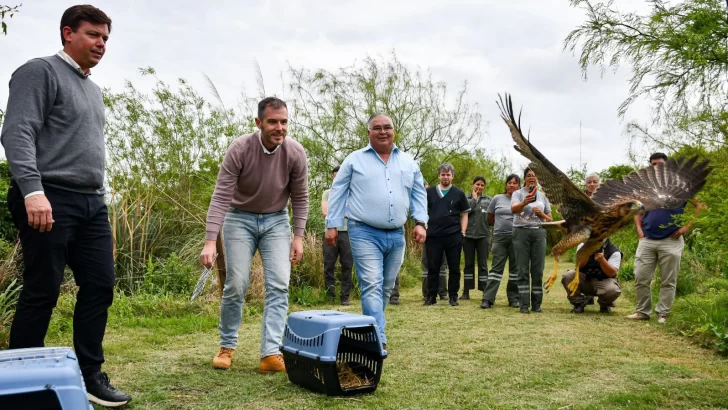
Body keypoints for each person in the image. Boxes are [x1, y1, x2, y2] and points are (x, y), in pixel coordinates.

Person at [0, 5, 131, 407]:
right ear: (67, 33)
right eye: (93, 35)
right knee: (43, 289)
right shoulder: (38, 71)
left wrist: (100, 197)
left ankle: (91, 374)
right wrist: (32, 190)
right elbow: (17, 132)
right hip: (47, 196)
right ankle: (20, 382)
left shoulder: (92, 89)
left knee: (100, 284)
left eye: (106, 38)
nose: (101, 44)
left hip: (91, 203)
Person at [201, 97, 308, 373]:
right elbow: (221, 195)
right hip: (239, 219)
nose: (279, 127)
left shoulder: (295, 152)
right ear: (258, 122)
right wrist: (211, 240)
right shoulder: (240, 148)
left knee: (279, 285)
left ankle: (270, 353)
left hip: (276, 221)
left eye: (284, 121)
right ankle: (226, 346)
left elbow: (300, 196)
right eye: (273, 121)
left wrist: (298, 236)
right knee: (236, 283)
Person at [325, 113, 427, 350]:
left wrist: (420, 221)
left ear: (394, 130)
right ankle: (377, 337)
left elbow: (419, 193)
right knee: (371, 283)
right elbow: (338, 191)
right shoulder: (354, 160)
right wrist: (332, 224)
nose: (383, 132)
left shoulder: (408, 162)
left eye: (387, 127)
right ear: (368, 132)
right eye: (377, 128)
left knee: (386, 286)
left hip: (396, 235)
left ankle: (370, 328)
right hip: (364, 231)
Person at [626, 152, 703, 324]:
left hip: (672, 240)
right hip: (647, 239)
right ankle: (642, 312)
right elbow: (636, 209)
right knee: (640, 276)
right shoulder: (645, 187)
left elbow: (699, 205)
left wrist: (686, 227)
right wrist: (639, 229)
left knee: (668, 279)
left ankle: (663, 313)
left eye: (660, 164)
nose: (657, 167)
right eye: (653, 164)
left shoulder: (681, 185)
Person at [424, 163, 470, 307]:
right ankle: (431, 296)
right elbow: (422, 211)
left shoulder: (459, 193)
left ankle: (453, 296)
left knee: (454, 267)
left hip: (453, 235)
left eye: (448, 174)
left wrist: (463, 231)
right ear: (439, 175)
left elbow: (464, 214)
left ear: (452, 176)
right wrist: (423, 227)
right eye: (443, 174)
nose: (445, 177)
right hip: (433, 236)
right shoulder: (429, 192)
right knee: (433, 267)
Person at [511, 167, 553, 314]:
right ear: (524, 178)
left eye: (534, 176)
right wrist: (524, 203)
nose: (531, 178)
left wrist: (541, 213)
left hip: (538, 233)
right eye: (529, 175)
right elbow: (513, 209)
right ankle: (523, 304)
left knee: (537, 270)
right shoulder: (517, 193)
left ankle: (536, 304)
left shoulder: (542, 196)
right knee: (522, 269)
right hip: (521, 232)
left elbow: (550, 219)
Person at [481, 174, 521, 309]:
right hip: (499, 238)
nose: (511, 185)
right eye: (509, 182)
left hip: (517, 238)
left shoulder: (522, 200)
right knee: (496, 269)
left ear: (519, 186)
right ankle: (488, 299)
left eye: (515, 183)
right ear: (506, 185)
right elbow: (490, 217)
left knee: (515, 270)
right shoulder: (497, 199)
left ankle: (514, 298)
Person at [562, 239, 622, 313]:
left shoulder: (614, 251)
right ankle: (578, 303)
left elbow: (612, 273)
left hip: (603, 282)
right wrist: (587, 252)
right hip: (585, 280)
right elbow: (579, 265)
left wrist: (602, 260)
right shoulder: (582, 246)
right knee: (568, 276)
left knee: (614, 290)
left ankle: (605, 305)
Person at [321, 166, 353, 306]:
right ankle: (330, 295)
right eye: (335, 175)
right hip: (330, 232)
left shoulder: (351, 193)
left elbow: (354, 212)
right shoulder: (328, 193)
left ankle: (345, 296)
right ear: (332, 177)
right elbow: (325, 211)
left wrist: (337, 211)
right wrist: (344, 211)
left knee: (347, 265)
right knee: (329, 264)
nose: (338, 178)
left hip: (348, 232)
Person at [461, 176, 492, 300]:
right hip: (468, 236)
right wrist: (473, 200)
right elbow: (465, 212)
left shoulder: (489, 200)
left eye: (482, 185)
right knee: (468, 264)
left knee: (483, 264)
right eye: (477, 184)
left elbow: (492, 217)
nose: (479, 187)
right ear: (473, 185)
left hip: (483, 236)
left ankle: (485, 290)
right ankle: (466, 291)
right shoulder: (465, 199)